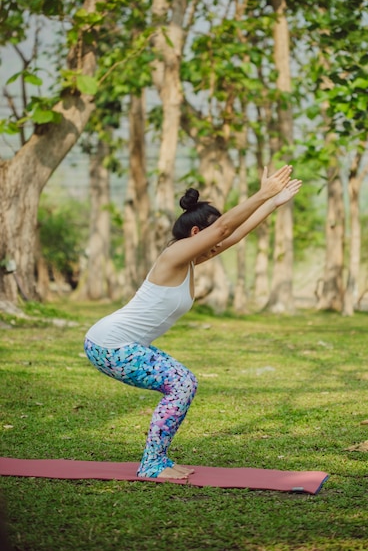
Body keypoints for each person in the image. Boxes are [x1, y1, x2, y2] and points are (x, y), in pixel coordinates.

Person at [84, 165, 302, 480]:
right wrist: (262, 192)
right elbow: (226, 228)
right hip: (110, 344)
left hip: (117, 343)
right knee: (182, 383)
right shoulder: (174, 255)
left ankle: (157, 460)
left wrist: (272, 202)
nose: (218, 242)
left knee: (183, 383)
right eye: (212, 235)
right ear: (197, 234)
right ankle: (151, 465)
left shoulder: (190, 259)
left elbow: (234, 234)